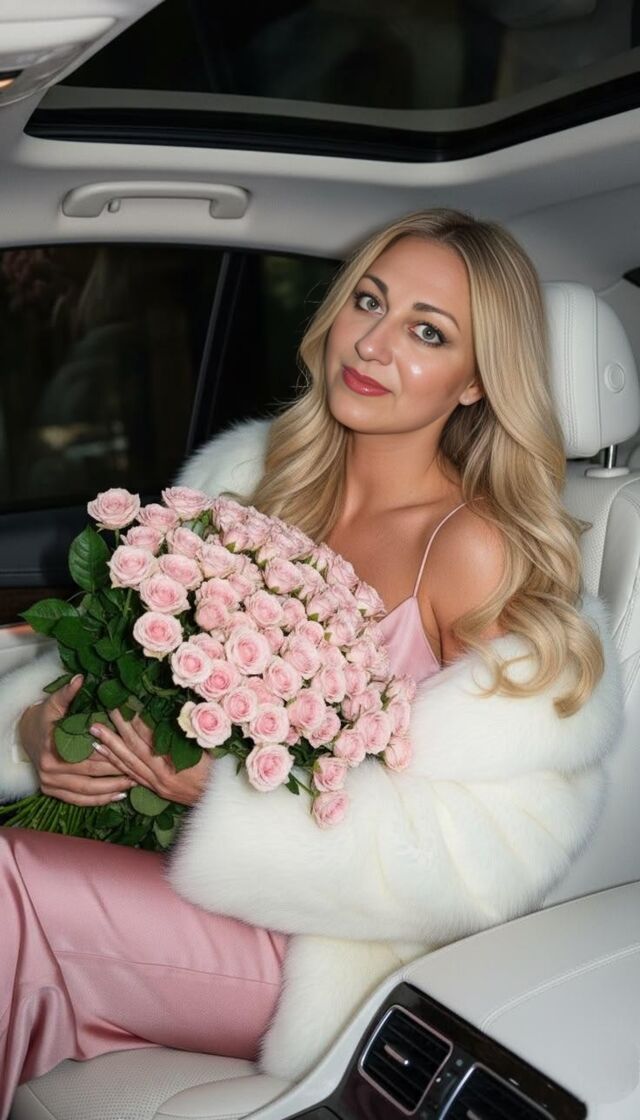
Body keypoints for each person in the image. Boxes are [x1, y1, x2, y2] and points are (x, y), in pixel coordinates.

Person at [0, 208, 622, 1112]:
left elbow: (491, 857)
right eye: (368, 301)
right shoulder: (255, 481)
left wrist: (231, 797)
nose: (372, 343)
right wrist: (43, 732)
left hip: (328, 950)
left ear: (476, 383)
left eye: (428, 332)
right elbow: (109, 652)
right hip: (170, 870)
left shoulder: (473, 550)